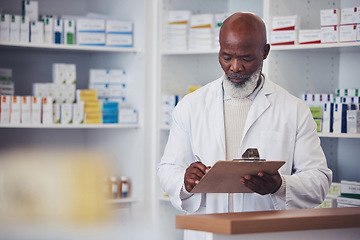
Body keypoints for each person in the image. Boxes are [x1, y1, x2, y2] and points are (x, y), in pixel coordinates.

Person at [158, 12, 332, 240]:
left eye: (246, 58)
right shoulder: (191, 106)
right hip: (208, 230)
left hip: (266, 233)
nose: (235, 67)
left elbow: (319, 179)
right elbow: (167, 168)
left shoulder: (293, 109)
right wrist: (185, 179)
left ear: (265, 52)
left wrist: (279, 185)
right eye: (226, 57)